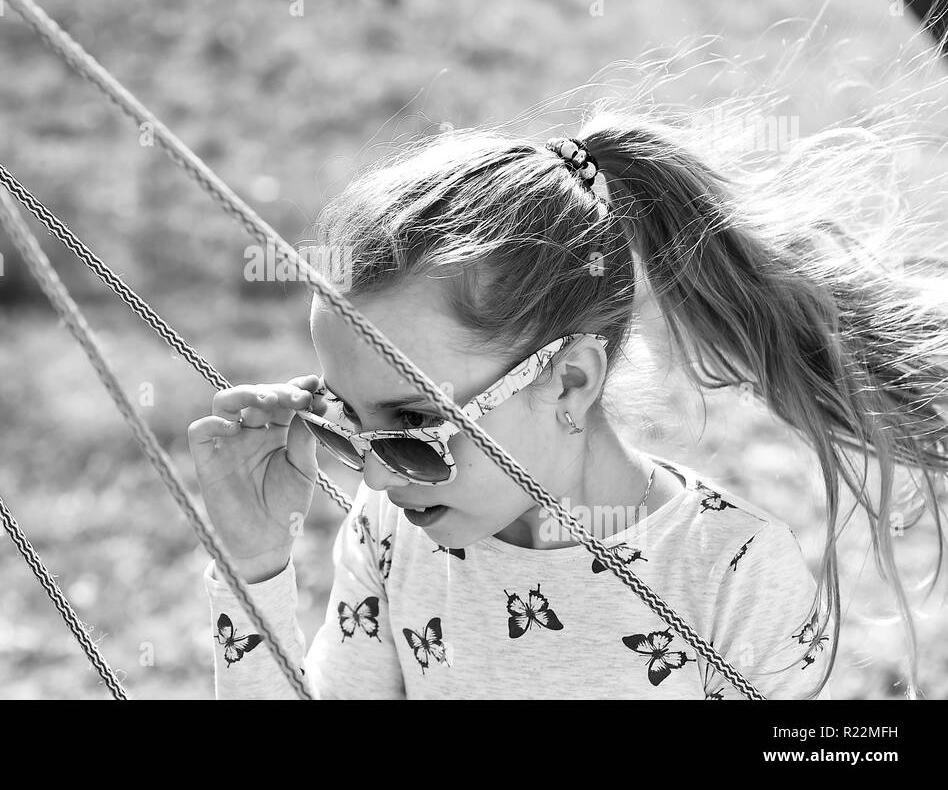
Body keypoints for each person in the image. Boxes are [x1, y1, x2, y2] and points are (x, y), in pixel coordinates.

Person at [187, 110, 948, 698]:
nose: (378, 478)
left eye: (416, 426)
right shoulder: (392, 536)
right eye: (346, 425)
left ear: (569, 383)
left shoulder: (730, 570)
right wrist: (255, 566)